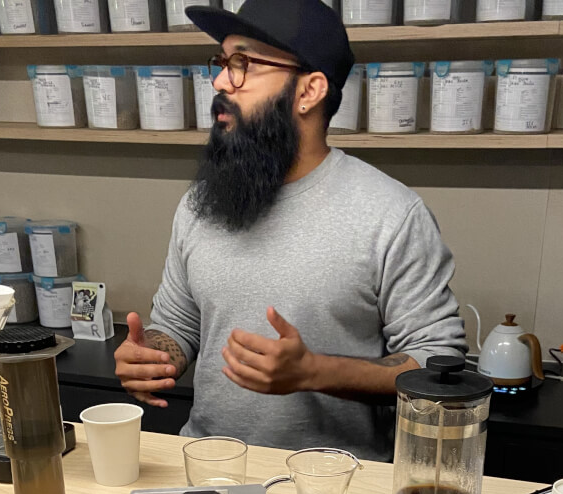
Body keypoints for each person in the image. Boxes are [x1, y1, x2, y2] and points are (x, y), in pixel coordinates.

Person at [115, 0, 467, 461]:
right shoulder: (201, 203)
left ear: (309, 90)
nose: (220, 82)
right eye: (222, 63)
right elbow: (179, 325)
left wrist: (315, 372)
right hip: (210, 467)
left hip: (337, 482)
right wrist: (153, 357)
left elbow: (437, 365)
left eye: (243, 64)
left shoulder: (391, 214)